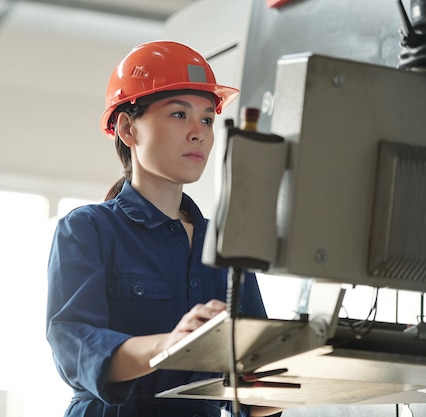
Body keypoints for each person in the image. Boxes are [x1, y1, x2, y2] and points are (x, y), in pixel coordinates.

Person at [46, 40, 282, 417]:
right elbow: (74, 346)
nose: (199, 133)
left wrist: (293, 378)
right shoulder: (88, 229)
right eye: (178, 115)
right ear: (127, 128)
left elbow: (251, 396)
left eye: (207, 119)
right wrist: (170, 346)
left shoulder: (225, 242)